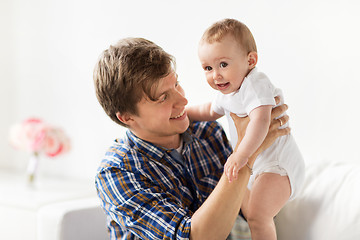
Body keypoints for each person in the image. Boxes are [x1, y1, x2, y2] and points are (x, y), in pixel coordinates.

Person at [93, 37, 290, 240]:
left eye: (176, 84)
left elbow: (245, 208)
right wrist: (246, 152)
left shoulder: (207, 132)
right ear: (127, 117)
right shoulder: (116, 172)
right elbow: (193, 237)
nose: (183, 100)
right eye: (163, 97)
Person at [186, 19, 305, 239]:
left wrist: (240, 154)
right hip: (257, 166)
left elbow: (261, 122)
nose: (216, 75)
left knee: (258, 217)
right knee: (250, 214)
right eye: (208, 68)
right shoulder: (228, 92)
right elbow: (209, 110)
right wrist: (185, 115)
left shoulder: (255, 83)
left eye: (223, 64)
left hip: (277, 165)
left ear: (250, 60)